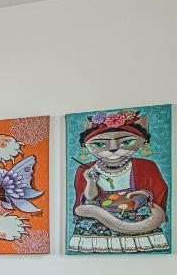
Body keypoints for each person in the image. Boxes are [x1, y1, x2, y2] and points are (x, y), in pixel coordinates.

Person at [70, 108, 169, 254]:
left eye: (126, 141)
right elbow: (88, 199)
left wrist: (141, 195)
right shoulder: (86, 169)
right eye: (99, 144)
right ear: (86, 146)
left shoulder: (146, 165)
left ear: (143, 141)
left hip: (135, 213)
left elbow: (159, 191)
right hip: (99, 219)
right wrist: (91, 182)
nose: (113, 149)